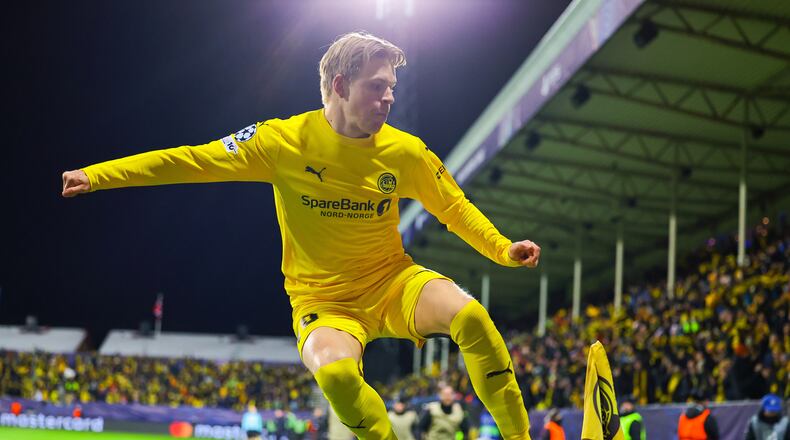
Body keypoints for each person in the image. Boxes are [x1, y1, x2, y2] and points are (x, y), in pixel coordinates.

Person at [61, 32, 540, 439]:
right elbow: (192, 159)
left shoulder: (405, 152)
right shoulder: (280, 141)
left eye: (391, 87)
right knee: (333, 374)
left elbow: (453, 207)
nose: (388, 98)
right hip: (323, 302)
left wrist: (502, 248)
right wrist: (99, 175)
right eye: (377, 87)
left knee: (472, 317)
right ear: (339, 86)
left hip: (394, 282)